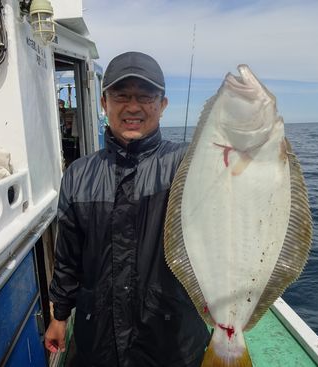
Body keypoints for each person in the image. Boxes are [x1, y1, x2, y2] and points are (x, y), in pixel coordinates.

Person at [45, 51, 209, 367]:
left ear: (162, 105)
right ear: (104, 103)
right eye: (121, 95)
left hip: (172, 343)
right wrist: (60, 315)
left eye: (146, 96)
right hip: (98, 341)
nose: (133, 106)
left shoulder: (189, 164)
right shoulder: (78, 174)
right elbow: (68, 258)